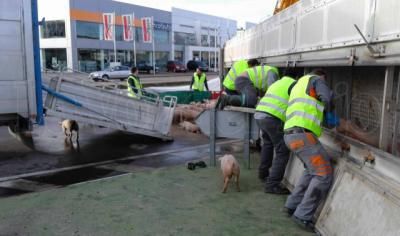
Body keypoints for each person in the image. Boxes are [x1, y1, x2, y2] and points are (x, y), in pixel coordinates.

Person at [282, 69, 340, 232]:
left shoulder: (299, 84)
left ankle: (291, 206)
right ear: (322, 76)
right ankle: (303, 215)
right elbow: (326, 98)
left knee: (310, 171)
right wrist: (330, 113)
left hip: (290, 135)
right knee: (323, 174)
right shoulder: (316, 79)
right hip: (302, 135)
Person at [254, 68, 298, 194]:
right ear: (296, 77)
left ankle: (263, 173)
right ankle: (272, 185)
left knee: (268, 144)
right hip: (272, 118)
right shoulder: (294, 85)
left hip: (259, 115)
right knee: (282, 150)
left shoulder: (277, 83)